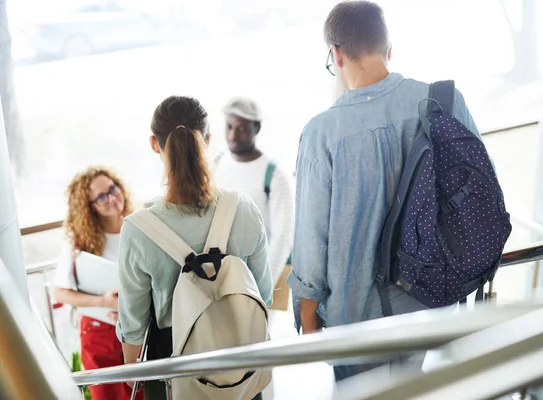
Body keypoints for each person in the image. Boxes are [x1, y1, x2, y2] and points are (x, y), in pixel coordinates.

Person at [288, 0, 481, 381]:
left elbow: (313, 239)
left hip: (357, 318)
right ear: (388, 49)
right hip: (431, 302)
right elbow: (475, 192)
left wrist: (307, 317)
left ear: (336, 54)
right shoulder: (444, 101)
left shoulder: (322, 133)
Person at [117, 95, 272, 399]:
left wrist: (130, 372)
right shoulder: (243, 210)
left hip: (173, 364)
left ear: (154, 143)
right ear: (209, 139)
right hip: (241, 356)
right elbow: (262, 294)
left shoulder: (137, 231)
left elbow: (134, 326)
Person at [54, 167, 142, 400]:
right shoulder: (79, 242)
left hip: (139, 329)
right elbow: (61, 293)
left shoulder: (140, 227)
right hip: (100, 332)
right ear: (89, 206)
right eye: (102, 196)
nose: (112, 198)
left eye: (113, 189)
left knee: (144, 393)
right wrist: (103, 302)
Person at [214, 97, 294, 298]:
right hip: (219, 280)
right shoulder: (218, 163)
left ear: (256, 128)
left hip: (258, 285)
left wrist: (261, 289)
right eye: (229, 126)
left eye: (241, 128)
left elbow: (282, 238)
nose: (233, 134)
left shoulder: (274, 175)